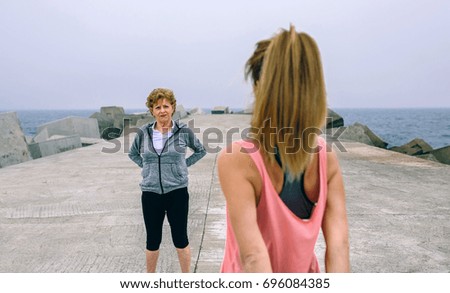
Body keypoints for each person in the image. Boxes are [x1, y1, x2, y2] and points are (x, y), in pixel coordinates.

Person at [218, 25, 350, 273]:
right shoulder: (326, 159)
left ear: (259, 88)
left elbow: (253, 256)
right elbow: (339, 246)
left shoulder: (237, 159)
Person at [129, 88, 206, 273]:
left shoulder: (183, 131)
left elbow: (200, 150)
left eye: (166, 106)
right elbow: (133, 153)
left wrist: (182, 167)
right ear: (152, 111)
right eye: (157, 107)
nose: (162, 110)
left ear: (172, 108)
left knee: (180, 239)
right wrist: (148, 169)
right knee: (152, 241)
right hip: (150, 193)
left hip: (177, 193)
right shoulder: (144, 132)